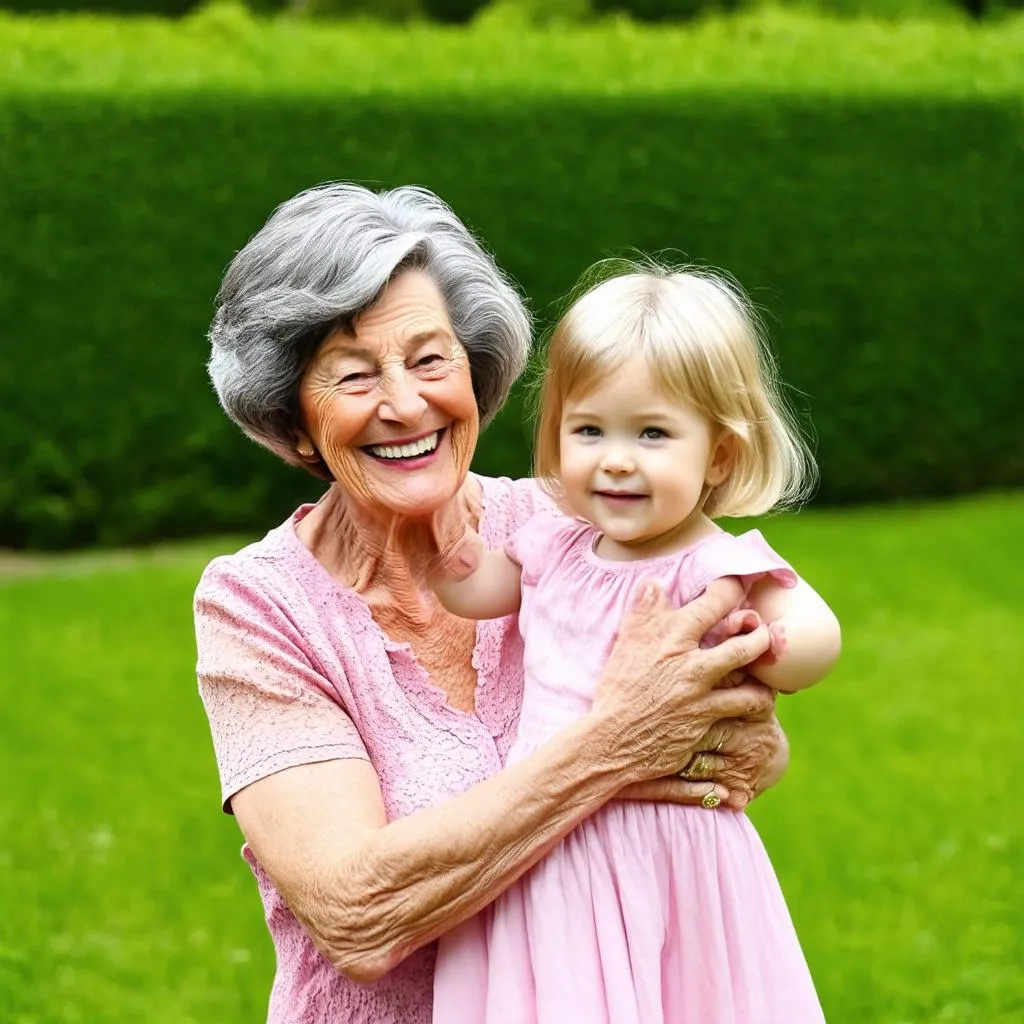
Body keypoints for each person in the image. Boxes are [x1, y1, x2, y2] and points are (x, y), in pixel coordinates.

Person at [195, 183, 792, 1024]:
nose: (405, 404)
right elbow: (356, 912)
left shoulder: (573, 528)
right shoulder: (258, 607)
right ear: (292, 422)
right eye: (355, 374)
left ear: (475, 376)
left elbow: (747, 748)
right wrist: (614, 747)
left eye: (432, 360)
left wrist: (744, 733)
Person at [429, 263, 841, 1023]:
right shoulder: (553, 543)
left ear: (718, 455)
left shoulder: (715, 563)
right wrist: (452, 557)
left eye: (652, 433)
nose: (616, 458)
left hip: (673, 846)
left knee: (679, 994)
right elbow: (482, 590)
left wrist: (771, 644)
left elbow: (818, 636)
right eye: (589, 430)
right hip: (550, 834)